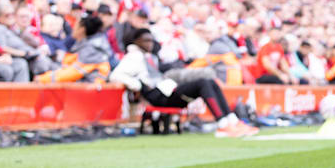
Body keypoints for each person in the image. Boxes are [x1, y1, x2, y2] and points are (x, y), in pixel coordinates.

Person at [109, 28, 257, 138]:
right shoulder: (133, 56)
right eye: (146, 40)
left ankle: (231, 120)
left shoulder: (148, 57)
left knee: (209, 81)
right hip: (157, 96)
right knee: (203, 83)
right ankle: (223, 125)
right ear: (136, 41)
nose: (150, 44)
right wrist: (137, 84)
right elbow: (116, 75)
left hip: (166, 90)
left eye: (151, 40)